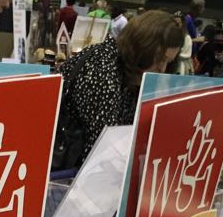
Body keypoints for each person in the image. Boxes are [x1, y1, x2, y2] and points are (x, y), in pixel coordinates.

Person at [53, 10, 184, 169]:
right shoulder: (102, 71)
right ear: (144, 47)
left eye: (168, 62)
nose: (162, 69)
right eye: (160, 59)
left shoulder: (127, 71)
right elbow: (99, 155)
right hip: (65, 168)